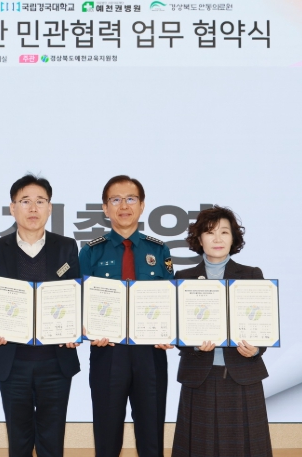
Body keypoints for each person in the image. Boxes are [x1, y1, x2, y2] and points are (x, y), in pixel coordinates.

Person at [0, 174, 81, 457]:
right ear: (13, 208)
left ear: (50, 208)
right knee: (19, 440)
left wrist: (76, 327)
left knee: (52, 441)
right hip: (12, 361)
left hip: (56, 360)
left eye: (40, 201)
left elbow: (77, 294)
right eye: (25, 201)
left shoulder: (66, 247)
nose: (33, 208)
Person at [78, 175, 174, 457]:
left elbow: (171, 299)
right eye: (115, 200)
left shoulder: (159, 249)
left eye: (131, 199)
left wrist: (171, 331)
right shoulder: (91, 251)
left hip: (151, 352)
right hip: (108, 351)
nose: (123, 206)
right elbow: (78, 300)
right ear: (105, 208)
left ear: (142, 205)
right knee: (107, 438)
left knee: (152, 436)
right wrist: (86, 328)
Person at [172, 206, 272, 457]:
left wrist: (256, 349)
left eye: (224, 232)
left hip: (242, 375)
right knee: (199, 448)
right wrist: (193, 344)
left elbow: (263, 324)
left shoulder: (251, 275)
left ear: (233, 238)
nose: (217, 239)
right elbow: (176, 330)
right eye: (210, 232)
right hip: (200, 376)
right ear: (199, 239)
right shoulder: (184, 277)